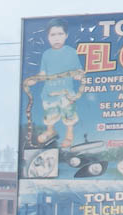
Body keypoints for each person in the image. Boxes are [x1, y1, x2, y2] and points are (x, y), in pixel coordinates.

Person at [34, 20, 85, 148]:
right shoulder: (46, 54)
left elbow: (78, 70)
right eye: (53, 35)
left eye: (60, 34)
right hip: (49, 92)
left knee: (69, 113)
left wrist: (79, 75)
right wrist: (36, 78)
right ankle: (50, 130)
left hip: (66, 93)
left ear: (66, 35)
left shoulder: (71, 52)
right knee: (50, 113)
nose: (56, 38)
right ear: (48, 37)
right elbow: (43, 72)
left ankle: (69, 133)